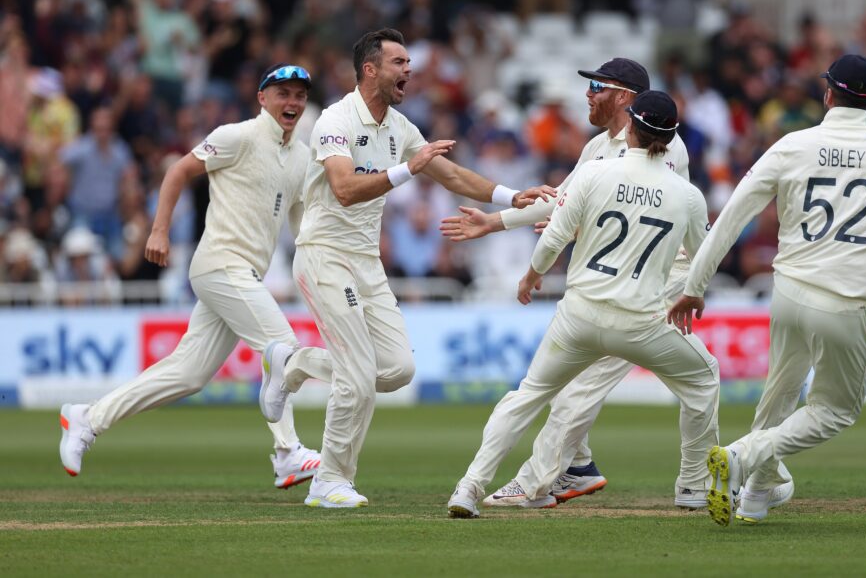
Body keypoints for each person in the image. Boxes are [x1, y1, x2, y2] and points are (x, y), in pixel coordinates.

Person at [259, 28, 555, 509]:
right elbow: (344, 189)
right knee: (357, 377)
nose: (409, 71)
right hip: (324, 254)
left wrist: (510, 196)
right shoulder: (335, 119)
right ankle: (329, 481)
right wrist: (408, 170)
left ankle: (293, 364)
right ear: (370, 69)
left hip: (366, 264)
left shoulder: (399, 127)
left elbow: (453, 174)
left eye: (408, 63)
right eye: (399, 63)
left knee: (397, 369)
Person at [669, 55, 866, 526]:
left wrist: (695, 284)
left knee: (781, 392)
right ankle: (743, 457)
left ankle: (756, 495)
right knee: (835, 411)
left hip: (787, 291)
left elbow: (732, 215)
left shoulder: (793, 144)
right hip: (845, 301)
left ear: (828, 94)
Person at [442, 58, 710, 509]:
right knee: (570, 385)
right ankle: (580, 466)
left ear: (625, 97)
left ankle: (536, 482)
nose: (588, 94)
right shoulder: (595, 149)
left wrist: (562, 246)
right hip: (617, 280)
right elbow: (561, 203)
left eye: (597, 87)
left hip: (656, 282)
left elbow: (646, 209)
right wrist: (494, 222)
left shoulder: (671, 148)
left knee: (576, 388)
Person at [59, 63, 334, 490]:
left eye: (299, 95)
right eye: (283, 93)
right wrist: (159, 229)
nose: (293, 102)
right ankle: (287, 453)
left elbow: (299, 222)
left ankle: (86, 418)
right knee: (281, 347)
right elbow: (178, 172)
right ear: (263, 98)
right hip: (220, 263)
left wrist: (321, 264)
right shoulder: (237, 136)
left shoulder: (300, 157)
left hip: (244, 274)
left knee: (188, 374)